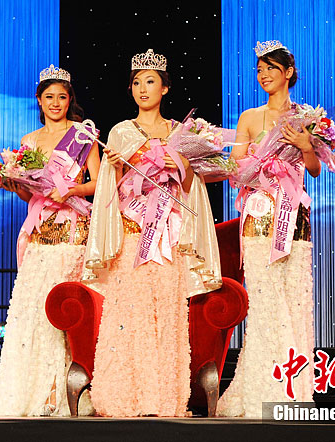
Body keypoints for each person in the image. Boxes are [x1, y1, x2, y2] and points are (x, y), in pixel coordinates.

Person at [81, 49, 222, 417]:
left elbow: (191, 184)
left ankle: (162, 398)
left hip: (168, 240)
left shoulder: (181, 132)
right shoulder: (120, 132)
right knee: (131, 317)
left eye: (150, 81)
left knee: (166, 318)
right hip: (133, 238)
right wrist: (116, 165)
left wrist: (180, 163)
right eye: (137, 83)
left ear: (165, 88)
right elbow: (111, 188)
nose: (143, 89)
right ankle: (124, 398)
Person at [216, 41, 320, 418]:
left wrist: (306, 145)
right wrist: (257, 165)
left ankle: (296, 391)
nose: (263, 75)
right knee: (266, 303)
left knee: (295, 302)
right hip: (259, 214)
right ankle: (263, 387)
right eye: (259, 69)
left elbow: (314, 169)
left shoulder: (307, 117)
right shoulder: (248, 117)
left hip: (296, 218)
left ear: (288, 73)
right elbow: (234, 169)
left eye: (270, 68)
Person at [0, 65, 100, 417]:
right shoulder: (29, 141)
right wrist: (15, 183)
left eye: (62, 97)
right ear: (39, 100)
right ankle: (30, 392)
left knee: (68, 311)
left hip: (73, 234)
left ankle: (66, 393)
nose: (56, 103)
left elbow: (98, 183)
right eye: (49, 97)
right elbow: (30, 196)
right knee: (35, 312)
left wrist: (70, 188)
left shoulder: (84, 135)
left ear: (70, 100)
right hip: (41, 233)